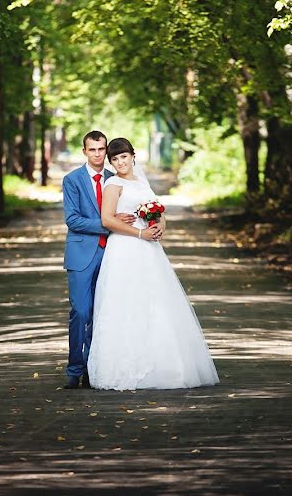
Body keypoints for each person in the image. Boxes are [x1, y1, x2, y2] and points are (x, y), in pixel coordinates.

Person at [87, 138, 219, 390]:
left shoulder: (141, 181)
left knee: (156, 301)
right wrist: (139, 233)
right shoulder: (113, 183)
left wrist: (160, 226)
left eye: (123, 157)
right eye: (114, 159)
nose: (120, 162)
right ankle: (125, 366)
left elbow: (158, 213)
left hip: (150, 249)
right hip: (125, 248)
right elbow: (107, 220)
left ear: (132, 156)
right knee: (127, 303)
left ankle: (164, 364)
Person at [62, 131, 136, 389]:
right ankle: (74, 368)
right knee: (81, 311)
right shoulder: (72, 180)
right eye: (92, 150)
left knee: (103, 313)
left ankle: (94, 368)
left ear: (106, 151)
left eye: (101, 149)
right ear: (84, 151)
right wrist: (109, 224)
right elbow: (72, 220)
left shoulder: (115, 180)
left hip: (113, 254)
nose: (97, 154)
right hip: (81, 254)